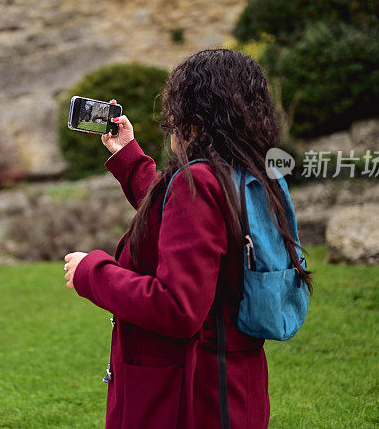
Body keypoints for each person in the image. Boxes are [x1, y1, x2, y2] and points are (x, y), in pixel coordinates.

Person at [63, 49, 312, 428]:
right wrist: (129, 157)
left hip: (190, 398)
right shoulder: (250, 174)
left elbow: (177, 307)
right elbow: (181, 221)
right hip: (235, 387)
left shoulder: (199, 183)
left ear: (192, 115)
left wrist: (91, 272)